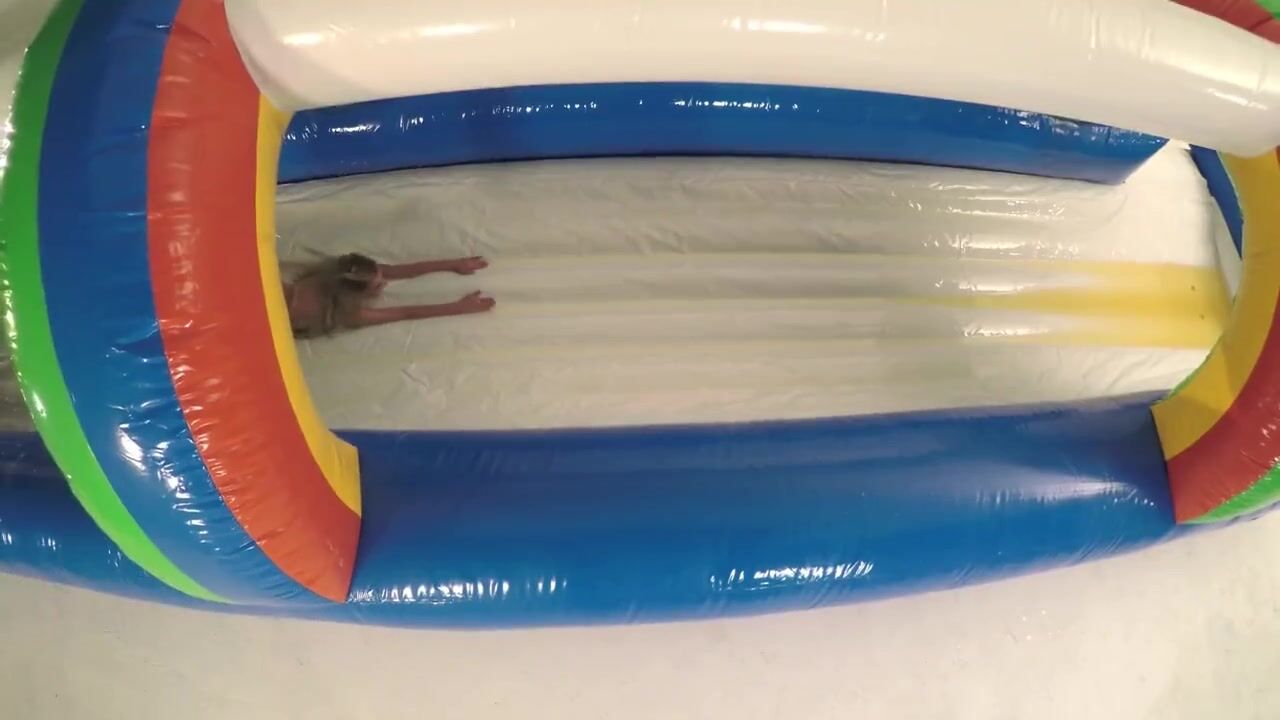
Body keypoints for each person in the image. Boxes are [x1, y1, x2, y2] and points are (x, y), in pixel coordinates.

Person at [285, 253, 495, 338]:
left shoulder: (341, 273)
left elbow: (398, 270)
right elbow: (405, 312)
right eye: (378, 286)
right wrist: (458, 307)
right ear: (351, 296)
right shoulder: (349, 314)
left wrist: (454, 264)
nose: (385, 283)